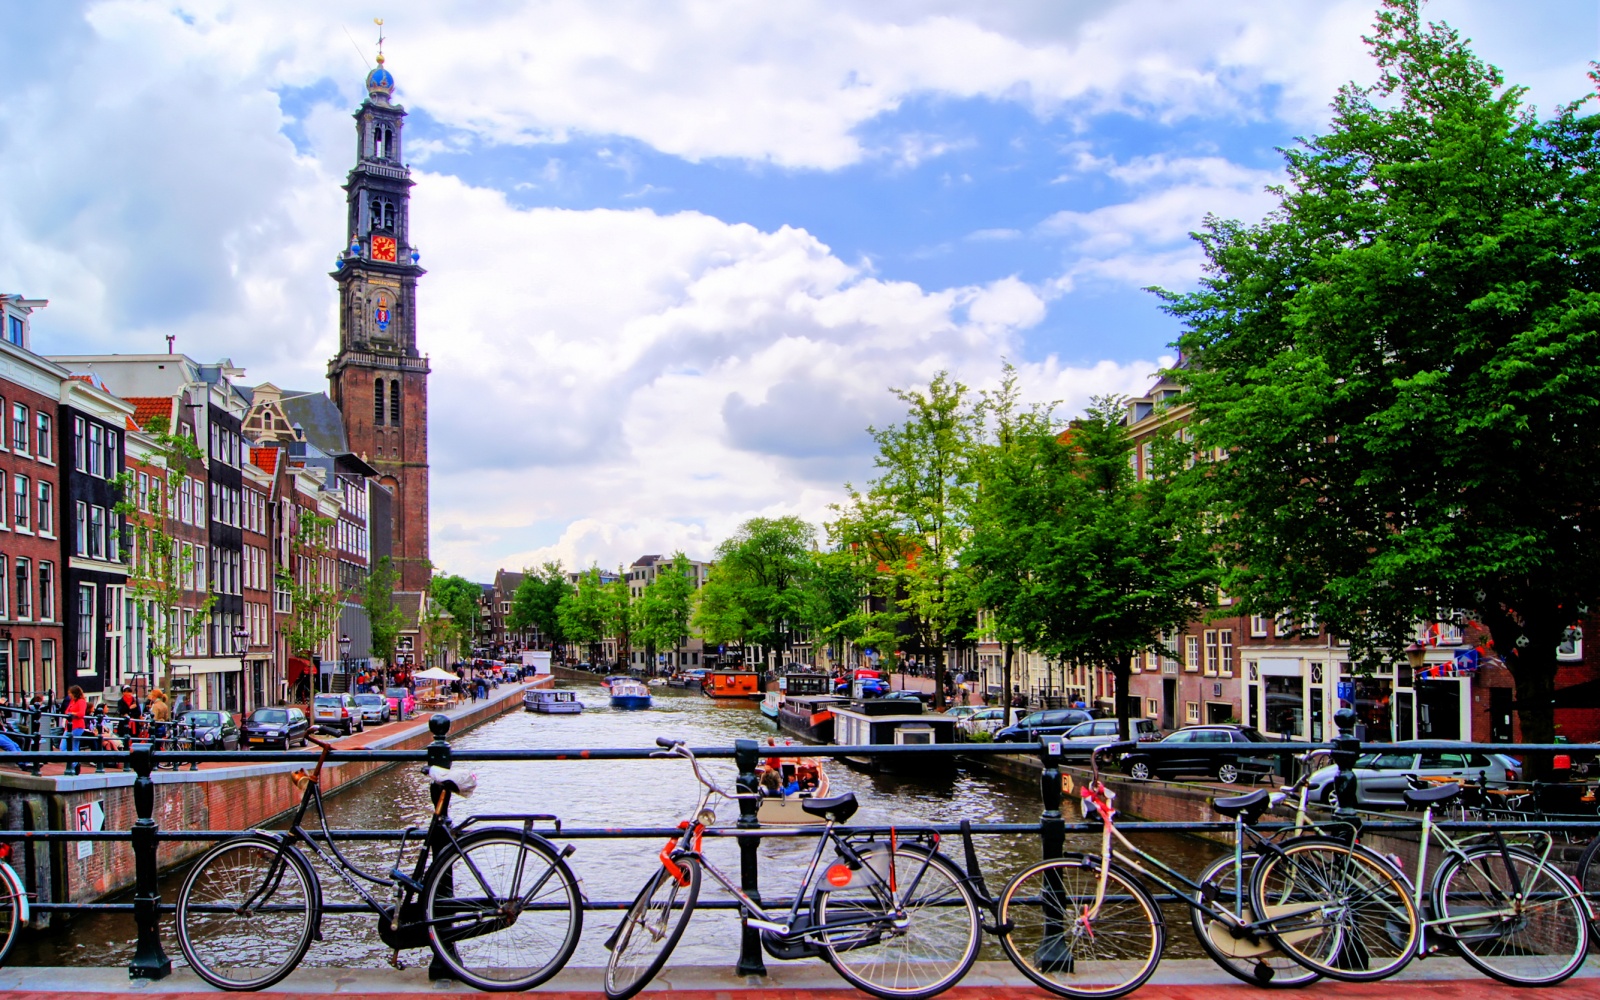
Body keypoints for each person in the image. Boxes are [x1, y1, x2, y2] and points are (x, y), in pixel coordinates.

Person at [63, 685, 88, 776]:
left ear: (75, 693)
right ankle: (75, 764)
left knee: (67, 747)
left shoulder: (81, 701)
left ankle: (73, 765)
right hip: (69, 727)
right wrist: (70, 713)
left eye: (70, 693)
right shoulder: (72, 701)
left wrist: (73, 713)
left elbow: (81, 714)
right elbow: (66, 711)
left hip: (77, 727)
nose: (69, 695)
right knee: (71, 747)